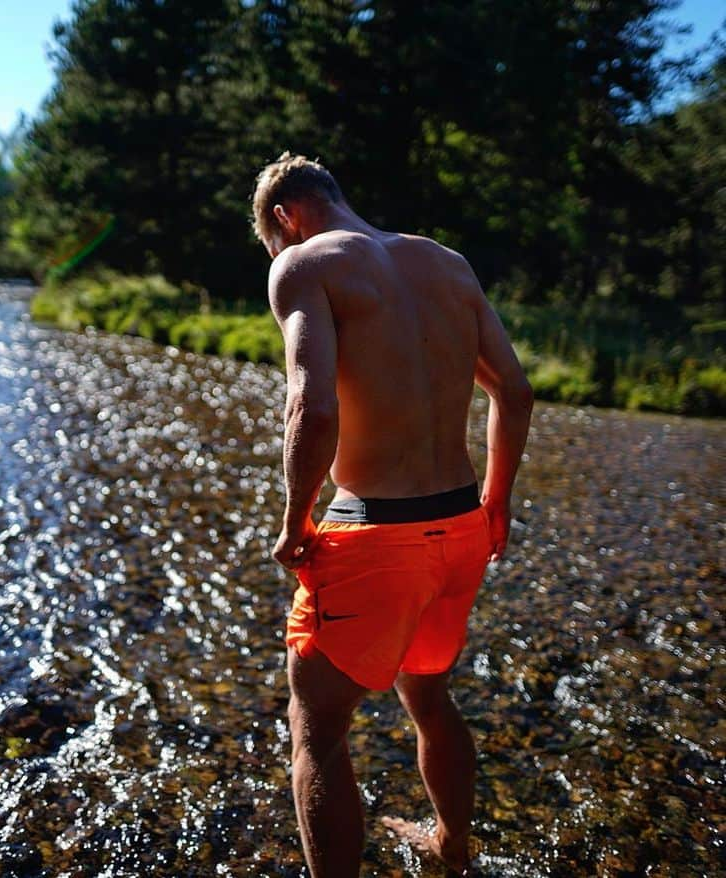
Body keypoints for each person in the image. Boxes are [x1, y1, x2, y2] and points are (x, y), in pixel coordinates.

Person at [252, 153, 534, 877]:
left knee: (314, 728)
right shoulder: (446, 263)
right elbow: (516, 389)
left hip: (377, 533)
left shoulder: (304, 264)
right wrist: (498, 499)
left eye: (273, 240)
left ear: (286, 216)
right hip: (463, 525)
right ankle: (452, 849)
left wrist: (294, 521)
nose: (278, 256)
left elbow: (310, 407)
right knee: (428, 695)